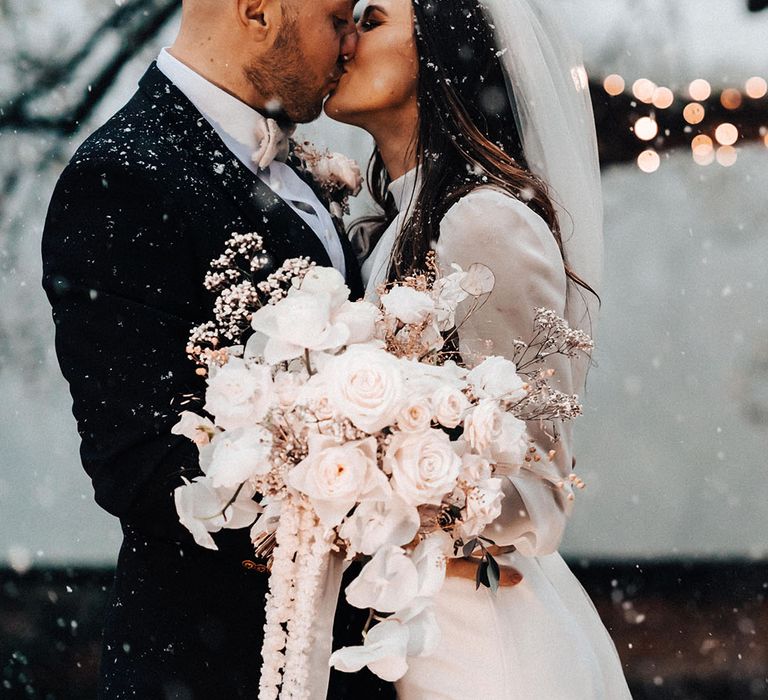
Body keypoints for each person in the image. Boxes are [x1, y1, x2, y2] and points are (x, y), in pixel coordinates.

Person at [40, 0, 394, 697]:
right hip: (213, 659)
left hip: (328, 653)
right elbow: (137, 464)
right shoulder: (122, 176)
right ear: (258, 11)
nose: (350, 43)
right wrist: (348, 509)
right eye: (335, 18)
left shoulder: (295, 162)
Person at [324, 0, 634, 697]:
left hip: (472, 638)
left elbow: (541, 491)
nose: (344, 39)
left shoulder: (484, 222)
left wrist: (379, 488)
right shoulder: (385, 228)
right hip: (404, 623)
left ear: (439, 54)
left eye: (370, 22)